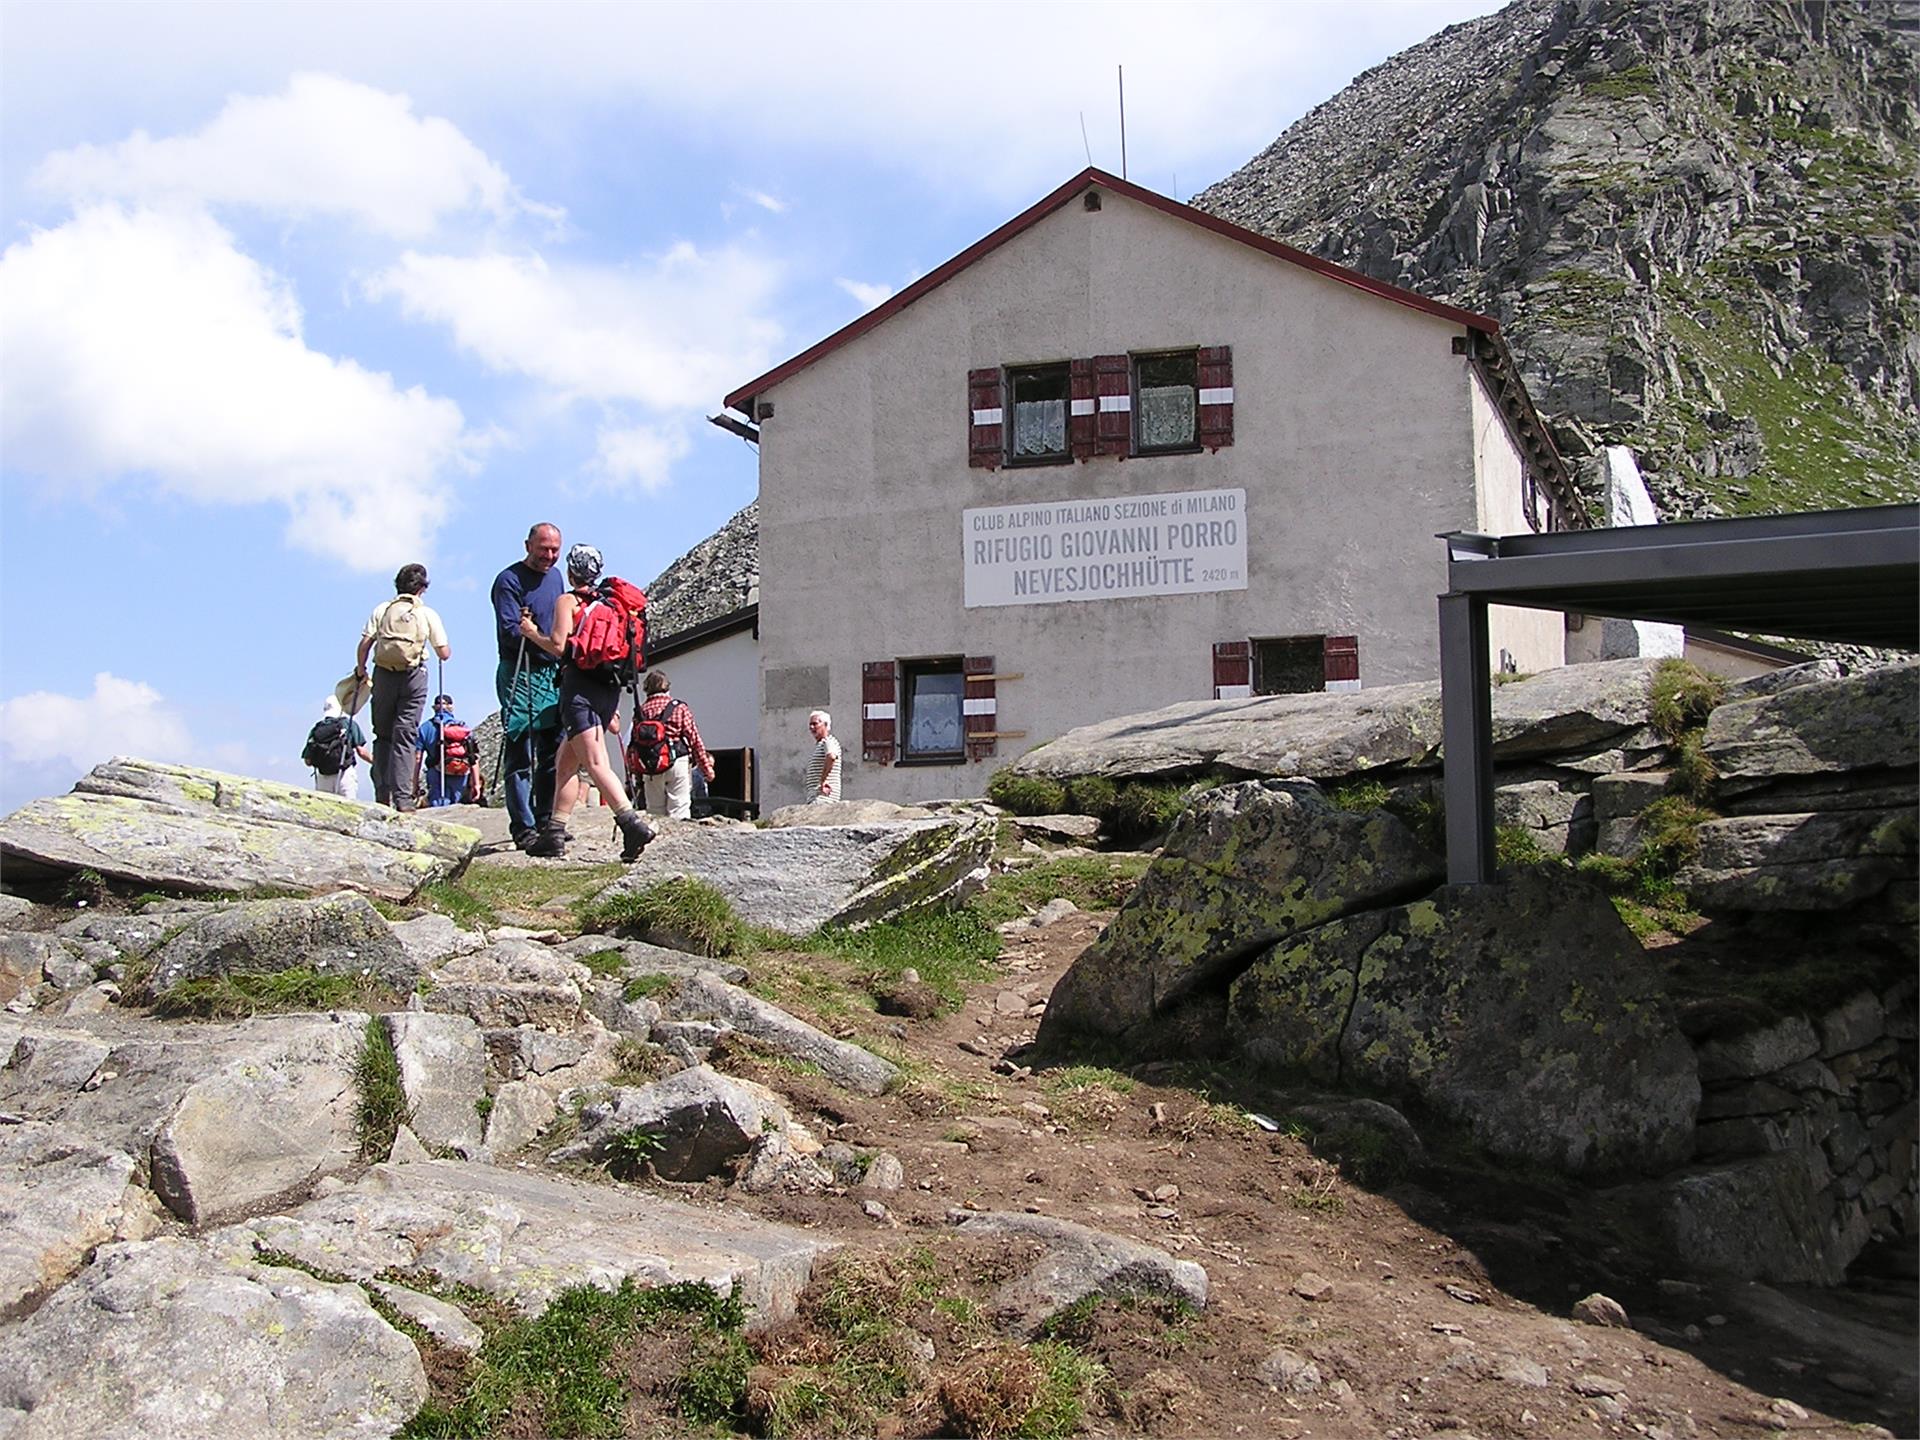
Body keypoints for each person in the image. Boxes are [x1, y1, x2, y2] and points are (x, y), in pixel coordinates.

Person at [517, 543, 655, 861]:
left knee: (595, 764)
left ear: (570, 570)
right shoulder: (611, 605)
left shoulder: (569, 601)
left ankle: (631, 823)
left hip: (578, 690)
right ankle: (554, 834)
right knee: (565, 764)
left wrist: (530, 632)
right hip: (608, 689)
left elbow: (558, 645)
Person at [492, 523, 565, 850]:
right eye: (543, 549)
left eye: (554, 550)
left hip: (550, 672)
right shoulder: (508, 580)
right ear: (528, 545)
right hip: (519, 671)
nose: (549, 556)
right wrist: (533, 631)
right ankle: (523, 827)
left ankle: (547, 820)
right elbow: (510, 630)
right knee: (520, 750)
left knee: (551, 751)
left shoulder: (556, 577)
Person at [354, 563, 450, 812]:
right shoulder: (427, 614)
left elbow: (364, 644)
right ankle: (404, 799)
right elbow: (444, 652)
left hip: (383, 675)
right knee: (405, 735)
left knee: (383, 736)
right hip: (413, 677)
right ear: (422, 588)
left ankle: (382, 794)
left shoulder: (383, 610)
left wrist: (361, 670)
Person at [633, 670, 715, 821]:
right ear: (667, 687)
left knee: (654, 813)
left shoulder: (641, 711)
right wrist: (706, 768)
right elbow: (694, 739)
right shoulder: (679, 707)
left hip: (650, 766)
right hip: (677, 762)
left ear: (646, 689)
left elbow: (634, 744)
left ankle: (656, 841)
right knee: (680, 809)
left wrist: (635, 774)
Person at [306, 695, 371, 800]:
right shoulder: (348, 724)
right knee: (350, 809)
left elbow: (308, 761)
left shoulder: (316, 729)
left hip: (323, 777)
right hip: (344, 775)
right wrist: (376, 763)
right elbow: (361, 752)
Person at [416, 694, 475, 807]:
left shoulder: (425, 727)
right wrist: (476, 783)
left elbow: (417, 758)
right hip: (459, 771)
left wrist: (414, 784)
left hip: (435, 771)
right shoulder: (462, 727)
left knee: (437, 804)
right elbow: (473, 757)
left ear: (434, 707)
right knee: (456, 803)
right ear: (451, 707)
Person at [806, 709, 841, 802]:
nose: (811, 727)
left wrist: (823, 780)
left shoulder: (828, 741)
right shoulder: (820, 744)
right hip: (816, 796)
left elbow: (831, 757)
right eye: (810, 724)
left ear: (825, 725)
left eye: (815, 724)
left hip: (823, 797)